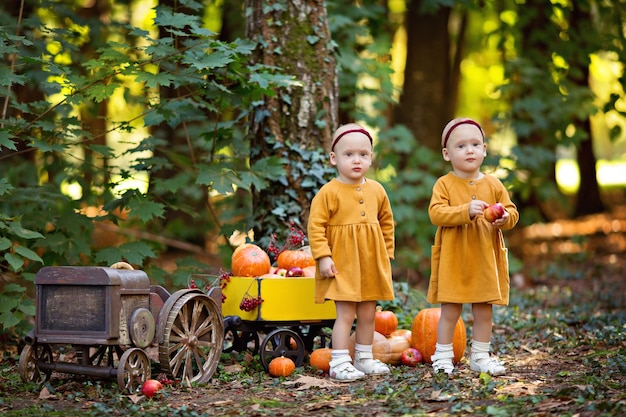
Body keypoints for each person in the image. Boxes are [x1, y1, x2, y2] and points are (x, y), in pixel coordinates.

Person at [427, 117, 519, 376]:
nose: (470, 150)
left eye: (475, 144)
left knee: (483, 309)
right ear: (447, 154)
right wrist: (464, 210)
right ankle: (442, 356)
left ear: (484, 149)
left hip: (484, 257)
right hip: (454, 257)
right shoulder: (444, 184)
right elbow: (436, 213)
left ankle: (480, 355)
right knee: (450, 310)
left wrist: (504, 218)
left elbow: (512, 212)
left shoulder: (493, 184)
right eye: (461, 146)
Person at [308, 123, 395, 382]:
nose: (357, 160)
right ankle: (339, 361)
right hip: (342, 264)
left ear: (371, 157)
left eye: (363, 154)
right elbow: (316, 226)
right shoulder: (329, 192)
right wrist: (323, 256)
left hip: (371, 263)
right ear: (334, 158)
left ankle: (364, 358)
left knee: (369, 312)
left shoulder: (377, 190)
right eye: (349, 155)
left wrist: (386, 254)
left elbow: (387, 222)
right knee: (345, 313)